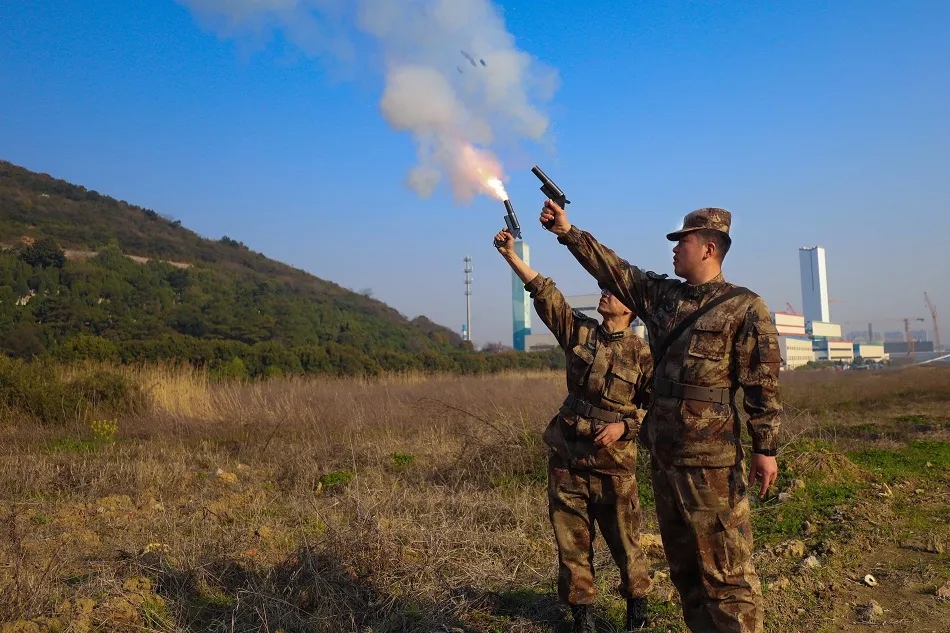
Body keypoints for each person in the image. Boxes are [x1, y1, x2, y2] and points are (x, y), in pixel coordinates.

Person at [538, 204, 783, 633]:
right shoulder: (664, 299)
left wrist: (766, 448)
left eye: (682, 241)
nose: (673, 249)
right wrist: (567, 231)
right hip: (665, 458)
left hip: (712, 463)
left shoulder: (745, 307)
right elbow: (616, 271)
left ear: (708, 248)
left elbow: (763, 382)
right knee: (684, 566)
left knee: (725, 570)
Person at [493, 227, 654, 633]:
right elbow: (545, 294)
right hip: (568, 458)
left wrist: (623, 426)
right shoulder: (579, 332)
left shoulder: (645, 354)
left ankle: (637, 609)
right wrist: (510, 256)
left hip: (615, 466)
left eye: (613, 292)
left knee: (626, 543)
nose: (604, 294)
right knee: (571, 546)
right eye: (603, 288)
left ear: (630, 310)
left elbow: (656, 409)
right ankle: (581, 616)